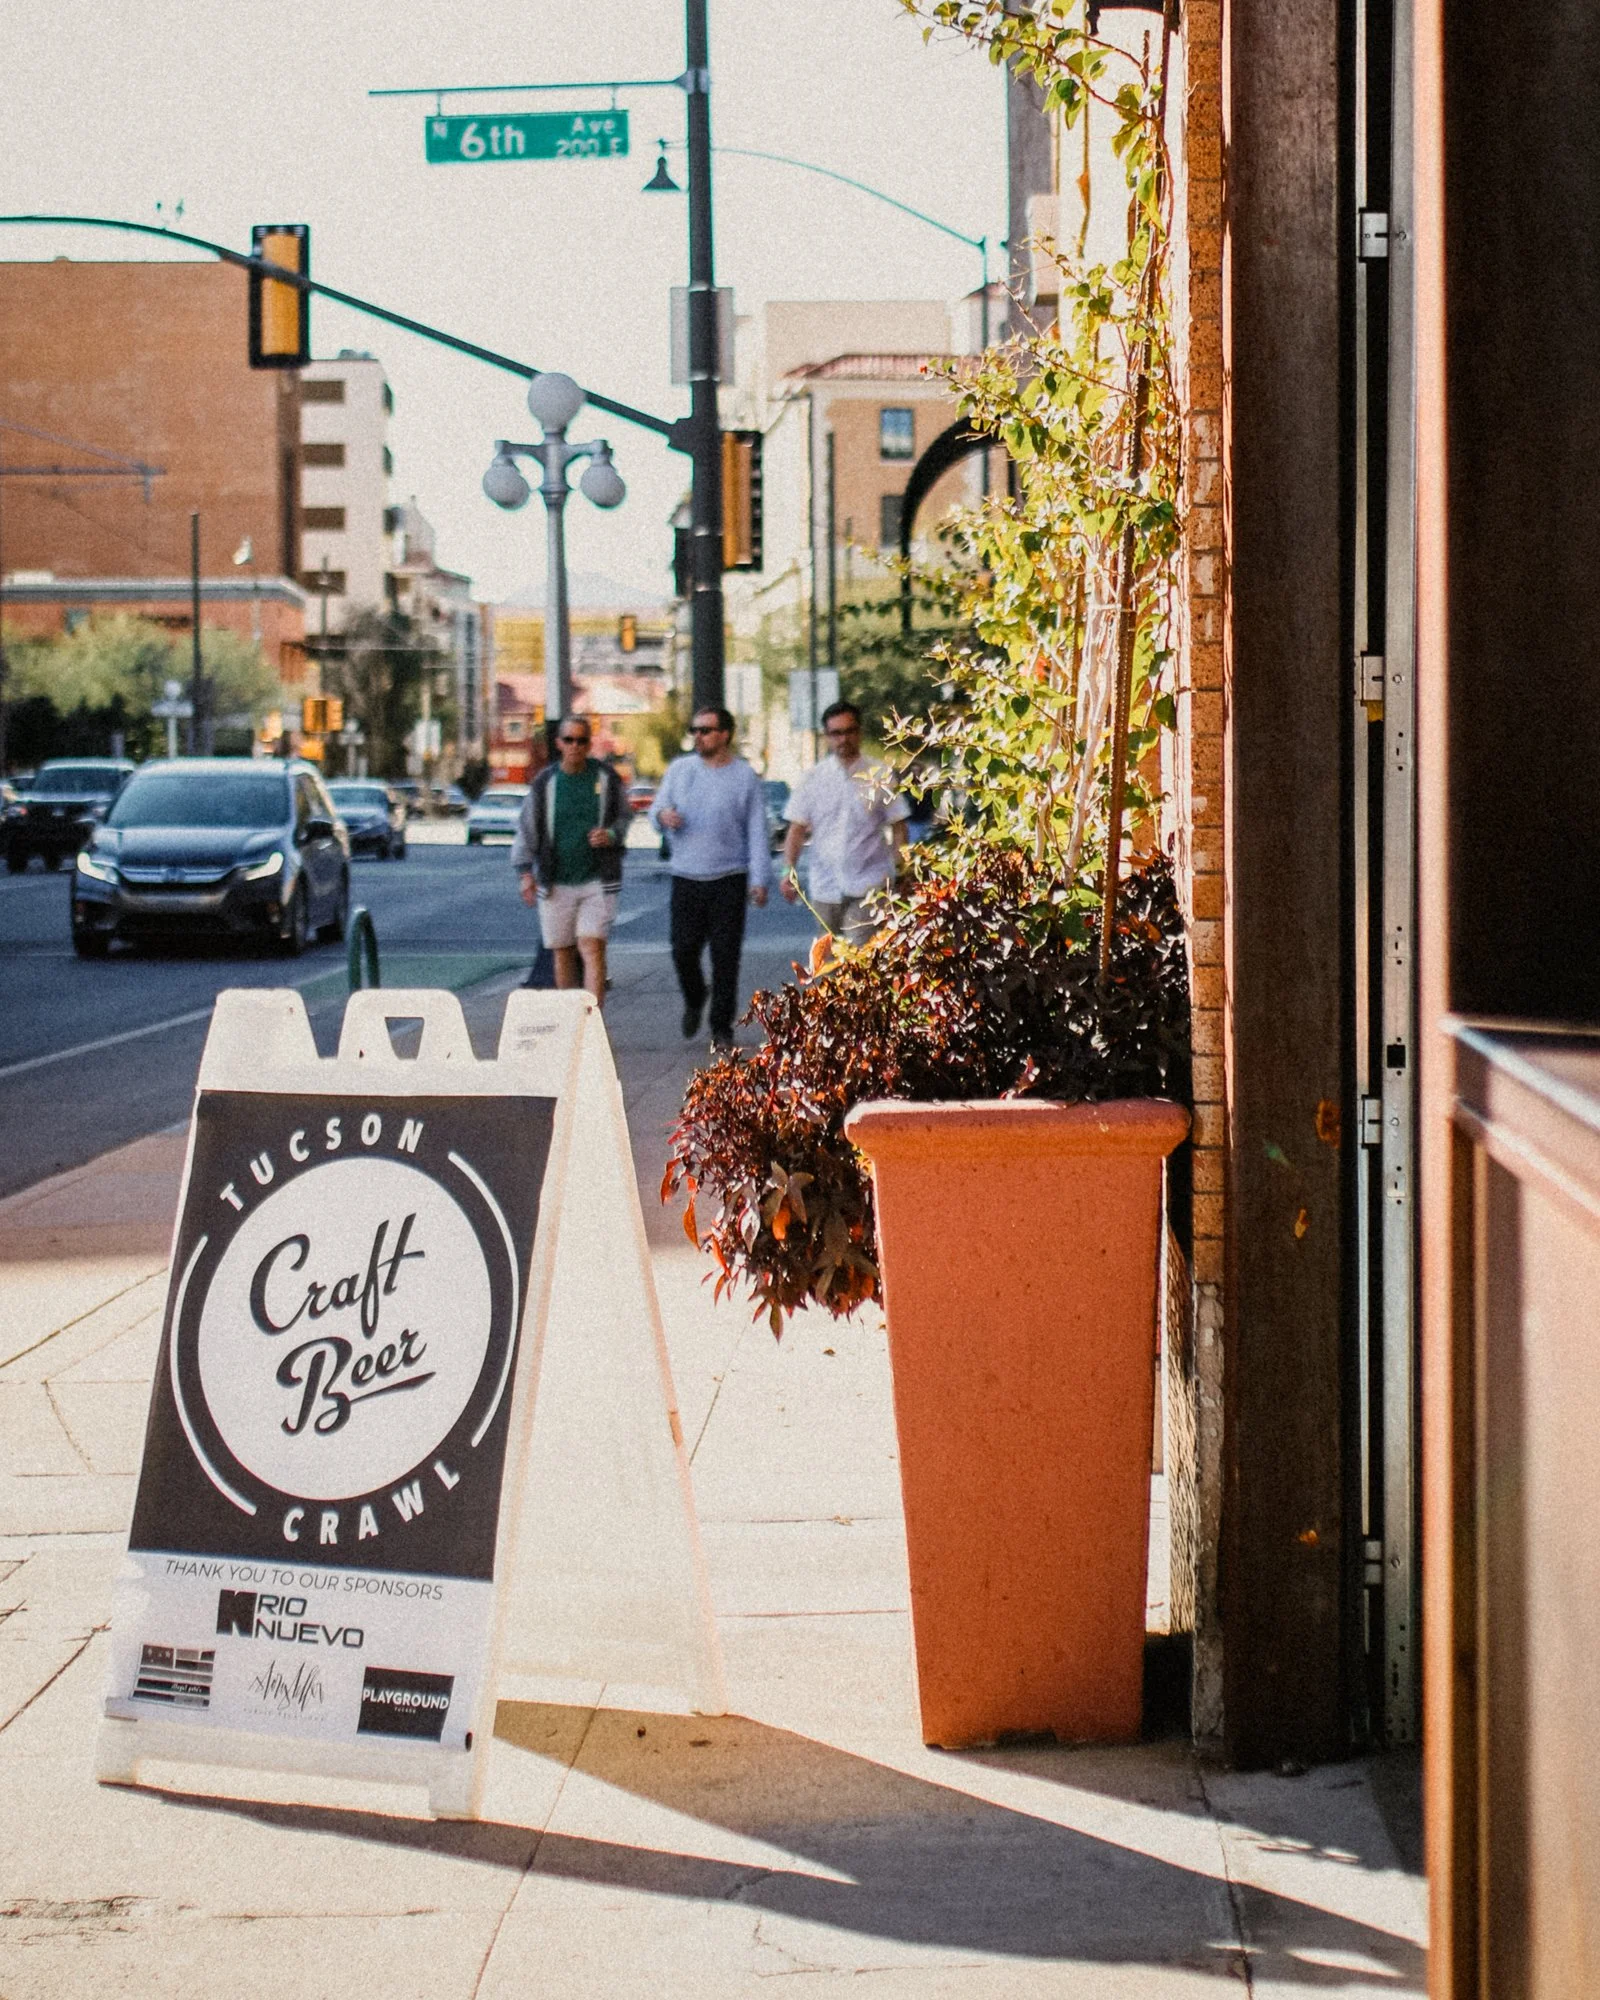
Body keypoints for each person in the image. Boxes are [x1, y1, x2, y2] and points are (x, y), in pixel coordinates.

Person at [651, 706, 771, 1047]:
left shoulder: (744, 776)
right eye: (695, 730)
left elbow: (757, 831)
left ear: (724, 735)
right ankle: (695, 995)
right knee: (683, 950)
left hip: (729, 877)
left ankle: (721, 1028)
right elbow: (656, 811)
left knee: (725, 957)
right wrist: (663, 816)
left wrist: (759, 880)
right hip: (687, 876)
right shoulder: (680, 770)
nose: (698, 736)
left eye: (705, 730)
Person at [510, 715, 630, 1011]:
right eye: (569, 740)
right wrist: (525, 872)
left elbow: (625, 816)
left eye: (581, 740)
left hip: (598, 879)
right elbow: (528, 828)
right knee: (562, 951)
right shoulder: (546, 783)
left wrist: (611, 834)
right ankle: (571, 1016)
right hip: (556, 881)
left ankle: (593, 1020)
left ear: (589, 744)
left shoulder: (606, 778)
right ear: (559, 744)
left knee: (592, 946)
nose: (575, 746)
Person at [781, 700, 910, 942]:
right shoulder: (813, 778)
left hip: (869, 885)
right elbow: (796, 829)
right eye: (836, 733)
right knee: (828, 956)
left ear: (859, 732)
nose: (843, 739)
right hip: (825, 886)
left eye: (849, 731)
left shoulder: (879, 774)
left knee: (861, 950)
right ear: (827, 736)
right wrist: (788, 871)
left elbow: (898, 825)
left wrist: (902, 870)